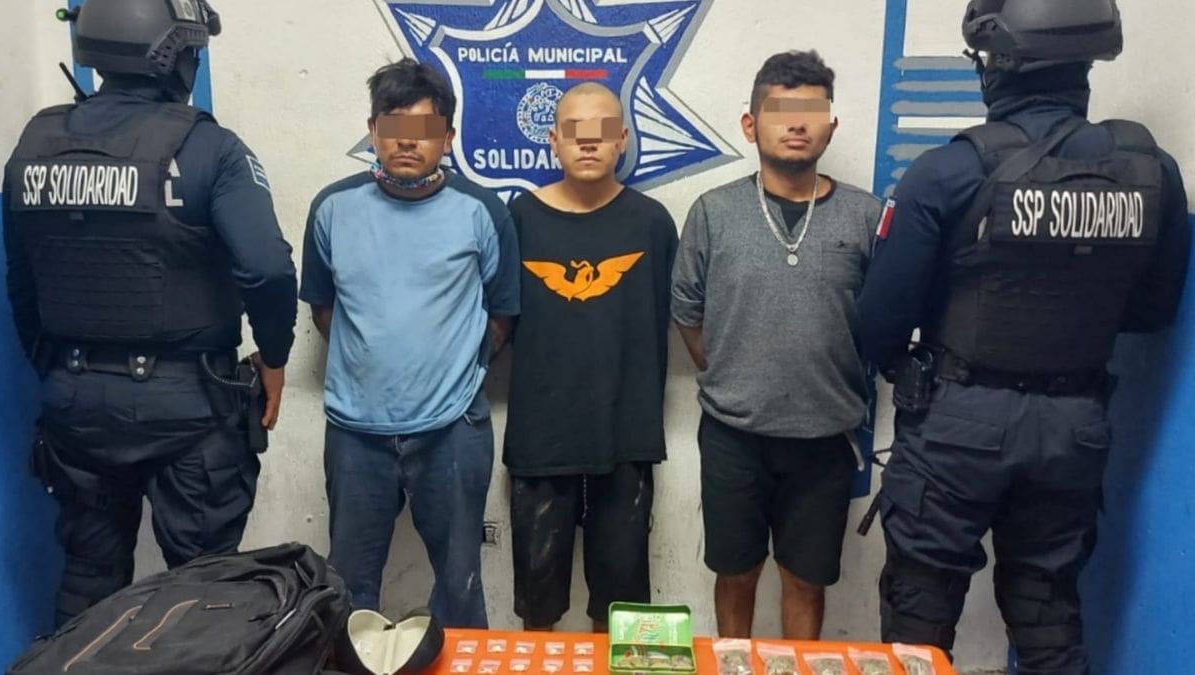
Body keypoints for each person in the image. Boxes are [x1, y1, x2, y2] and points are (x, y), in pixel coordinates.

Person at [856, 2, 1191, 672]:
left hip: (958, 423)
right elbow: (1152, 311)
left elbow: (877, 324)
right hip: (1073, 427)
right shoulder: (1152, 171)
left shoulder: (949, 171)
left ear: (1000, 65)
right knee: (1048, 614)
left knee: (919, 618)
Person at [2, 0, 296, 627]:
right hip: (188, 404)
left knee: (87, 579)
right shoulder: (209, 148)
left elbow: (22, 283)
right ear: (173, 57)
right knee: (203, 588)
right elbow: (268, 269)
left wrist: (65, 371)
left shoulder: (34, 146)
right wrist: (274, 358)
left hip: (75, 402)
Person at [299, 58, 520, 628]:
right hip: (355, 435)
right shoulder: (331, 209)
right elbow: (324, 310)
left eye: (422, 129)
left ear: (447, 138)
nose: (406, 141)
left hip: (453, 432)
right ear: (372, 131)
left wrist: (449, 371)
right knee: (347, 593)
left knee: (460, 590)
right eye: (393, 126)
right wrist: (374, 362)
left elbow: (501, 315)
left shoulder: (483, 211)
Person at [670, 50, 880, 640]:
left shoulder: (865, 216)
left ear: (830, 126)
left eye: (811, 110)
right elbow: (687, 308)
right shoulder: (714, 212)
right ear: (750, 124)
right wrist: (734, 375)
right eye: (780, 110)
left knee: (805, 581)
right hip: (733, 435)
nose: (796, 123)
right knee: (735, 574)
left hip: (825, 439)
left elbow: (883, 320)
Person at [502, 82, 678, 633]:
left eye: (602, 131)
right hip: (541, 441)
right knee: (537, 615)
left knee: (622, 617)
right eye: (574, 131)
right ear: (553, 140)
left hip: (624, 440)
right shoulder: (519, 219)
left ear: (622, 139)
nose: (588, 142)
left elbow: (678, 317)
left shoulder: (652, 223)